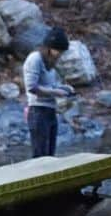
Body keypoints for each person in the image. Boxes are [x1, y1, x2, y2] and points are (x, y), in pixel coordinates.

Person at [22, 27, 74, 158]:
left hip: (51, 112)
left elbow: (51, 85)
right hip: (38, 112)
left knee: (50, 157)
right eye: (59, 51)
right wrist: (56, 92)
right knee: (40, 157)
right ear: (49, 48)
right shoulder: (35, 59)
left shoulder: (50, 63)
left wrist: (65, 89)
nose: (60, 54)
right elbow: (32, 87)